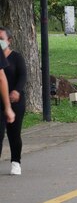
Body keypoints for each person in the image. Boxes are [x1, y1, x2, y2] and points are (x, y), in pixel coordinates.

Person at [0, 27, 26, 175]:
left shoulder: (16, 57)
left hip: (15, 101)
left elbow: (23, 76)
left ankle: (16, 161)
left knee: (14, 133)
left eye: (1, 39)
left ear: (9, 41)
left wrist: (16, 91)